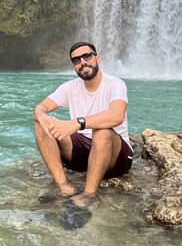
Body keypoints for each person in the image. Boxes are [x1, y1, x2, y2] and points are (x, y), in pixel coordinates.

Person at [32, 42, 133, 206]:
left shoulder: (115, 83)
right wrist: (41, 116)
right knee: (41, 124)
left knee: (102, 131)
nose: (83, 62)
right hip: (83, 154)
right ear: (74, 66)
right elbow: (40, 107)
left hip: (115, 156)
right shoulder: (70, 87)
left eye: (87, 56)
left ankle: (88, 195)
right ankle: (65, 188)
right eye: (76, 60)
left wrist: (78, 123)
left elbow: (117, 116)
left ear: (97, 58)